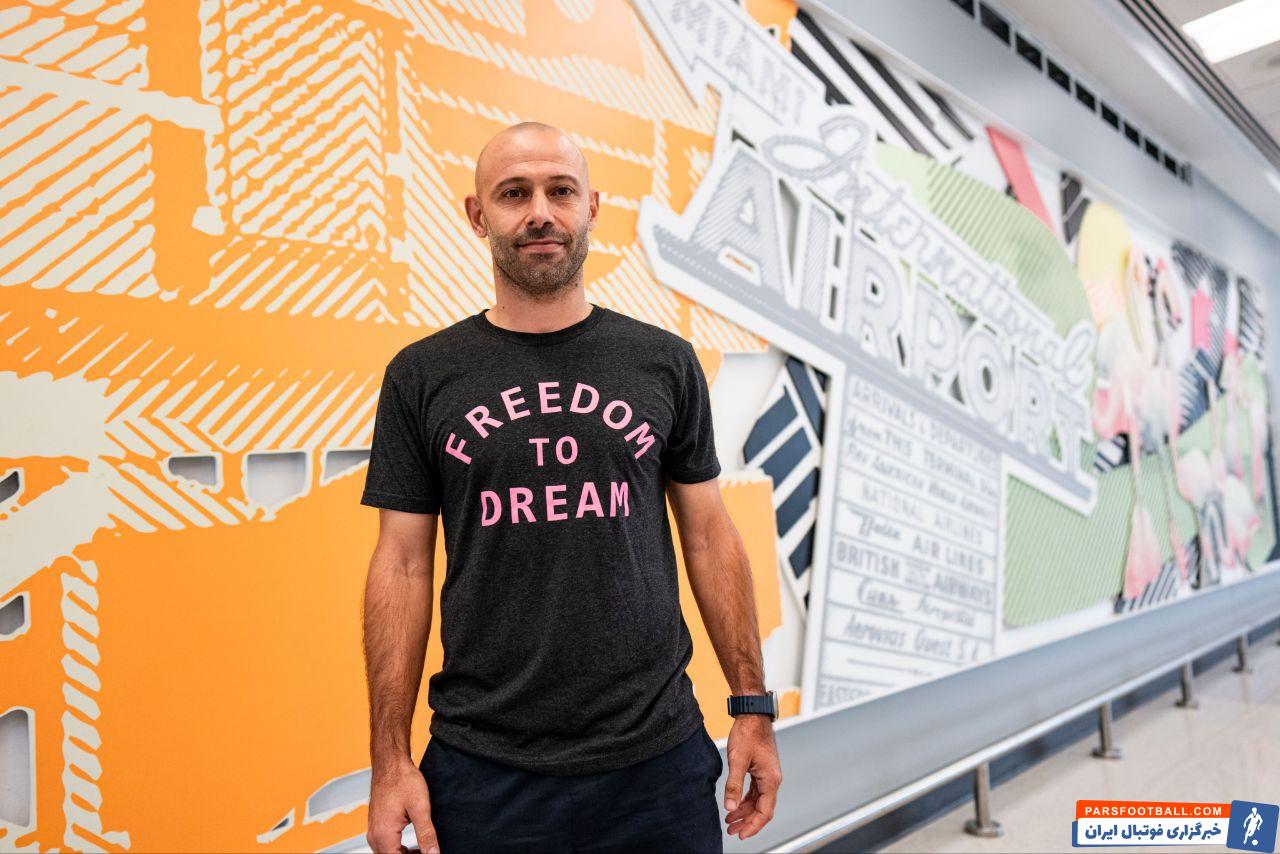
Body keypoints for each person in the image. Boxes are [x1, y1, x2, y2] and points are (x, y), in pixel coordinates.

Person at [360, 121, 782, 853]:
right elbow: (401, 565)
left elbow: (710, 536)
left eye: (560, 191)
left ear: (592, 207)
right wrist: (389, 760)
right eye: (513, 194)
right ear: (477, 215)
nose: (539, 213)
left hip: (657, 764)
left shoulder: (663, 362)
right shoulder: (422, 375)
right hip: (484, 771)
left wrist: (752, 706)